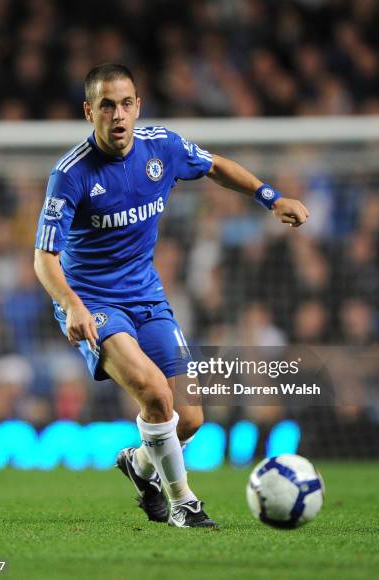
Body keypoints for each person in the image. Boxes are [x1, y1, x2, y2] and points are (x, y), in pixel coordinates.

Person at [34, 63, 309, 528]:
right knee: (156, 396)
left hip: (148, 299)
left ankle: (140, 465)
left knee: (191, 419)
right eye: (106, 105)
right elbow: (44, 257)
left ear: (138, 106)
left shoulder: (163, 147)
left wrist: (271, 197)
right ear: (89, 111)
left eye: (126, 103)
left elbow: (216, 166)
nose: (118, 115)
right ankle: (184, 503)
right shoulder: (71, 174)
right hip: (94, 304)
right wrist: (72, 305)